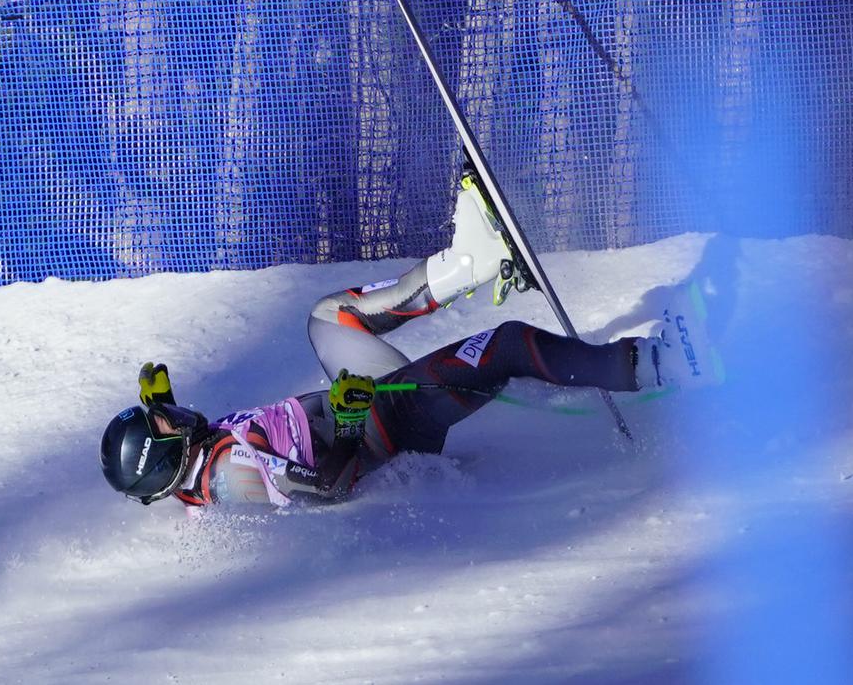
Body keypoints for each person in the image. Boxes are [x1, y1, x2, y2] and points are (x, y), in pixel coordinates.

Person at [99, 168, 719, 511]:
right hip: (389, 428)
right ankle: (656, 366)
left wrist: (161, 404)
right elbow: (328, 489)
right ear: (165, 460)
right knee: (502, 347)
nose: (182, 418)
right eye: (171, 424)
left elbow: (201, 455)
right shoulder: (230, 474)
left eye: (171, 412)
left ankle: (470, 263)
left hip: (362, 401)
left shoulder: (193, 462)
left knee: (328, 316)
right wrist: (348, 421)